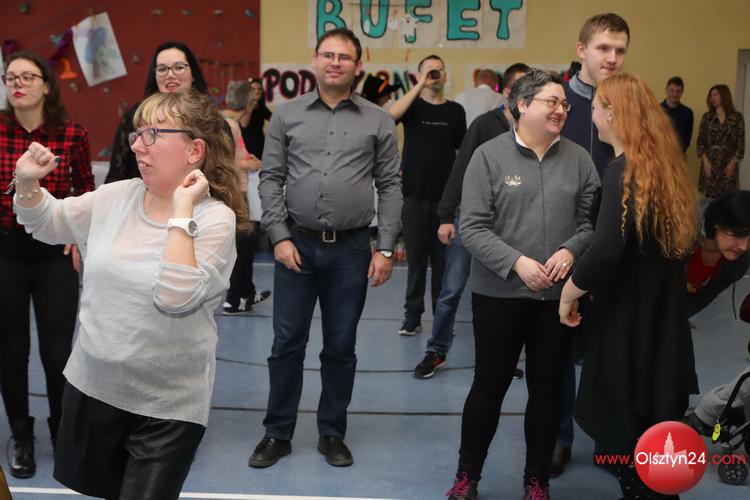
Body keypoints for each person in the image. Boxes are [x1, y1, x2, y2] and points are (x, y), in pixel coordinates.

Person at [12, 88, 246, 499]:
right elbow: (50, 221)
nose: (137, 145)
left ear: (194, 151)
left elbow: (175, 296)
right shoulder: (116, 196)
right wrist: (27, 181)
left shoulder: (215, 220)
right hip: (95, 389)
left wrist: (182, 210)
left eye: (153, 134)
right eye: (137, 134)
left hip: (166, 409)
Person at [250, 27, 401, 469]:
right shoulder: (286, 116)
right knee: (286, 345)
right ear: (314, 60)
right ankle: (277, 433)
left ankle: (332, 433)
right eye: (328, 55)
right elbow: (271, 178)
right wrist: (278, 236)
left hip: (352, 251)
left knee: (340, 346)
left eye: (344, 57)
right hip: (295, 246)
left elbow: (390, 186)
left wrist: (385, 247)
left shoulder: (379, 120)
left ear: (359, 65)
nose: (335, 63)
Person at [445, 69, 599, 500]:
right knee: (488, 387)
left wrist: (570, 251)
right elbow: (472, 228)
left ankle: (537, 481)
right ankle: (467, 477)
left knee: (547, 390)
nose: (561, 109)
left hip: (556, 298)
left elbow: (591, 223)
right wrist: (516, 263)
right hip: (499, 296)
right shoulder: (488, 157)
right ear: (522, 105)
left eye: (564, 103)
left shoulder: (579, 160)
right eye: (552, 101)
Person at [559, 73, 698, 500]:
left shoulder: (623, 170)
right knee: (652, 425)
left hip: (629, 320)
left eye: (596, 108)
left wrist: (569, 291)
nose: (592, 116)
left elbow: (606, 249)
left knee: (628, 427)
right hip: (660, 316)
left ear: (612, 113)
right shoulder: (661, 167)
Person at [0, 51, 95, 479]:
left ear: (45, 85)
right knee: (11, 350)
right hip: (5, 253)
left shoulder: (71, 134)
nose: (17, 83)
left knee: (58, 352)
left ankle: (63, 430)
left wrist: (77, 235)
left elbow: (85, 190)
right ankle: (21, 434)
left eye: (27, 76)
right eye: (10, 77)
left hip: (53, 254)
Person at [413, 66, 528, 379]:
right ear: (506, 93)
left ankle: (502, 358)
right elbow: (460, 168)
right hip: (472, 221)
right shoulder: (484, 125)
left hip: (508, 226)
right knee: (452, 289)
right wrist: (446, 216)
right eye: (522, 88)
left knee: (504, 296)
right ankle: (436, 350)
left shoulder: (532, 130)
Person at [554, 12, 630, 477]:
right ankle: (560, 437)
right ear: (582, 50)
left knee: (611, 349)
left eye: (620, 50)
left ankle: (610, 438)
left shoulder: (631, 103)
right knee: (559, 351)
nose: (612, 58)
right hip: (563, 243)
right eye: (603, 48)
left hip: (614, 245)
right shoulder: (557, 101)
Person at [388, 54, 466, 336]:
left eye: (439, 70)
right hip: (414, 198)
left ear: (445, 75)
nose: (435, 74)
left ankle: (442, 322)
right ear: (419, 74)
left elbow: (461, 152)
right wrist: (419, 84)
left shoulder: (455, 111)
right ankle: (412, 318)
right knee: (417, 264)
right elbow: (390, 117)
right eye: (429, 70)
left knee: (443, 267)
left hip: (446, 202)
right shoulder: (412, 106)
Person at [680, 191, 750, 434]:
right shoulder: (678, 237)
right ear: (717, 225)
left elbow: (696, 302)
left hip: (677, 318)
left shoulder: (739, 260)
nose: (744, 245)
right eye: (738, 235)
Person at [105, 41, 208, 183]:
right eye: (162, 69)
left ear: (193, 73)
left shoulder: (210, 118)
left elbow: (222, 177)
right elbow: (115, 176)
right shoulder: (136, 116)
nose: (170, 75)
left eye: (179, 67)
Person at [220, 117, 265, 314]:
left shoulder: (231, 124)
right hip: (233, 191)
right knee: (242, 246)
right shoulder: (227, 124)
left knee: (246, 244)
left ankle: (247, 292)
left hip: (237, 189)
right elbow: (224, 160)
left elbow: (238, 154)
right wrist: (248, 164)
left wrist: (249, 161)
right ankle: (234, 298)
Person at [697, 84, 745, 199]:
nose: (712, 98)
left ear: (724, 96)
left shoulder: (737, 118)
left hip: (728, 164)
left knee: (728, 199)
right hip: (710, 163)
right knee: (710, 201)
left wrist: (733, 163)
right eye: (711, 96)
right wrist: (706, 162)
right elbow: (700, 142)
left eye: (715, 95)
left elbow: (740, 144)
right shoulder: (707, 117)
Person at [661, 76, 694, 153]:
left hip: (679, 154)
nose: (675, 94)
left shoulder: (688, 113)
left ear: (682, 92)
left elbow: (687, 139)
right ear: (666, 90)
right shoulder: (657, 110)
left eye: (678, 91)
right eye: (672, 90)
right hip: (659, 155)